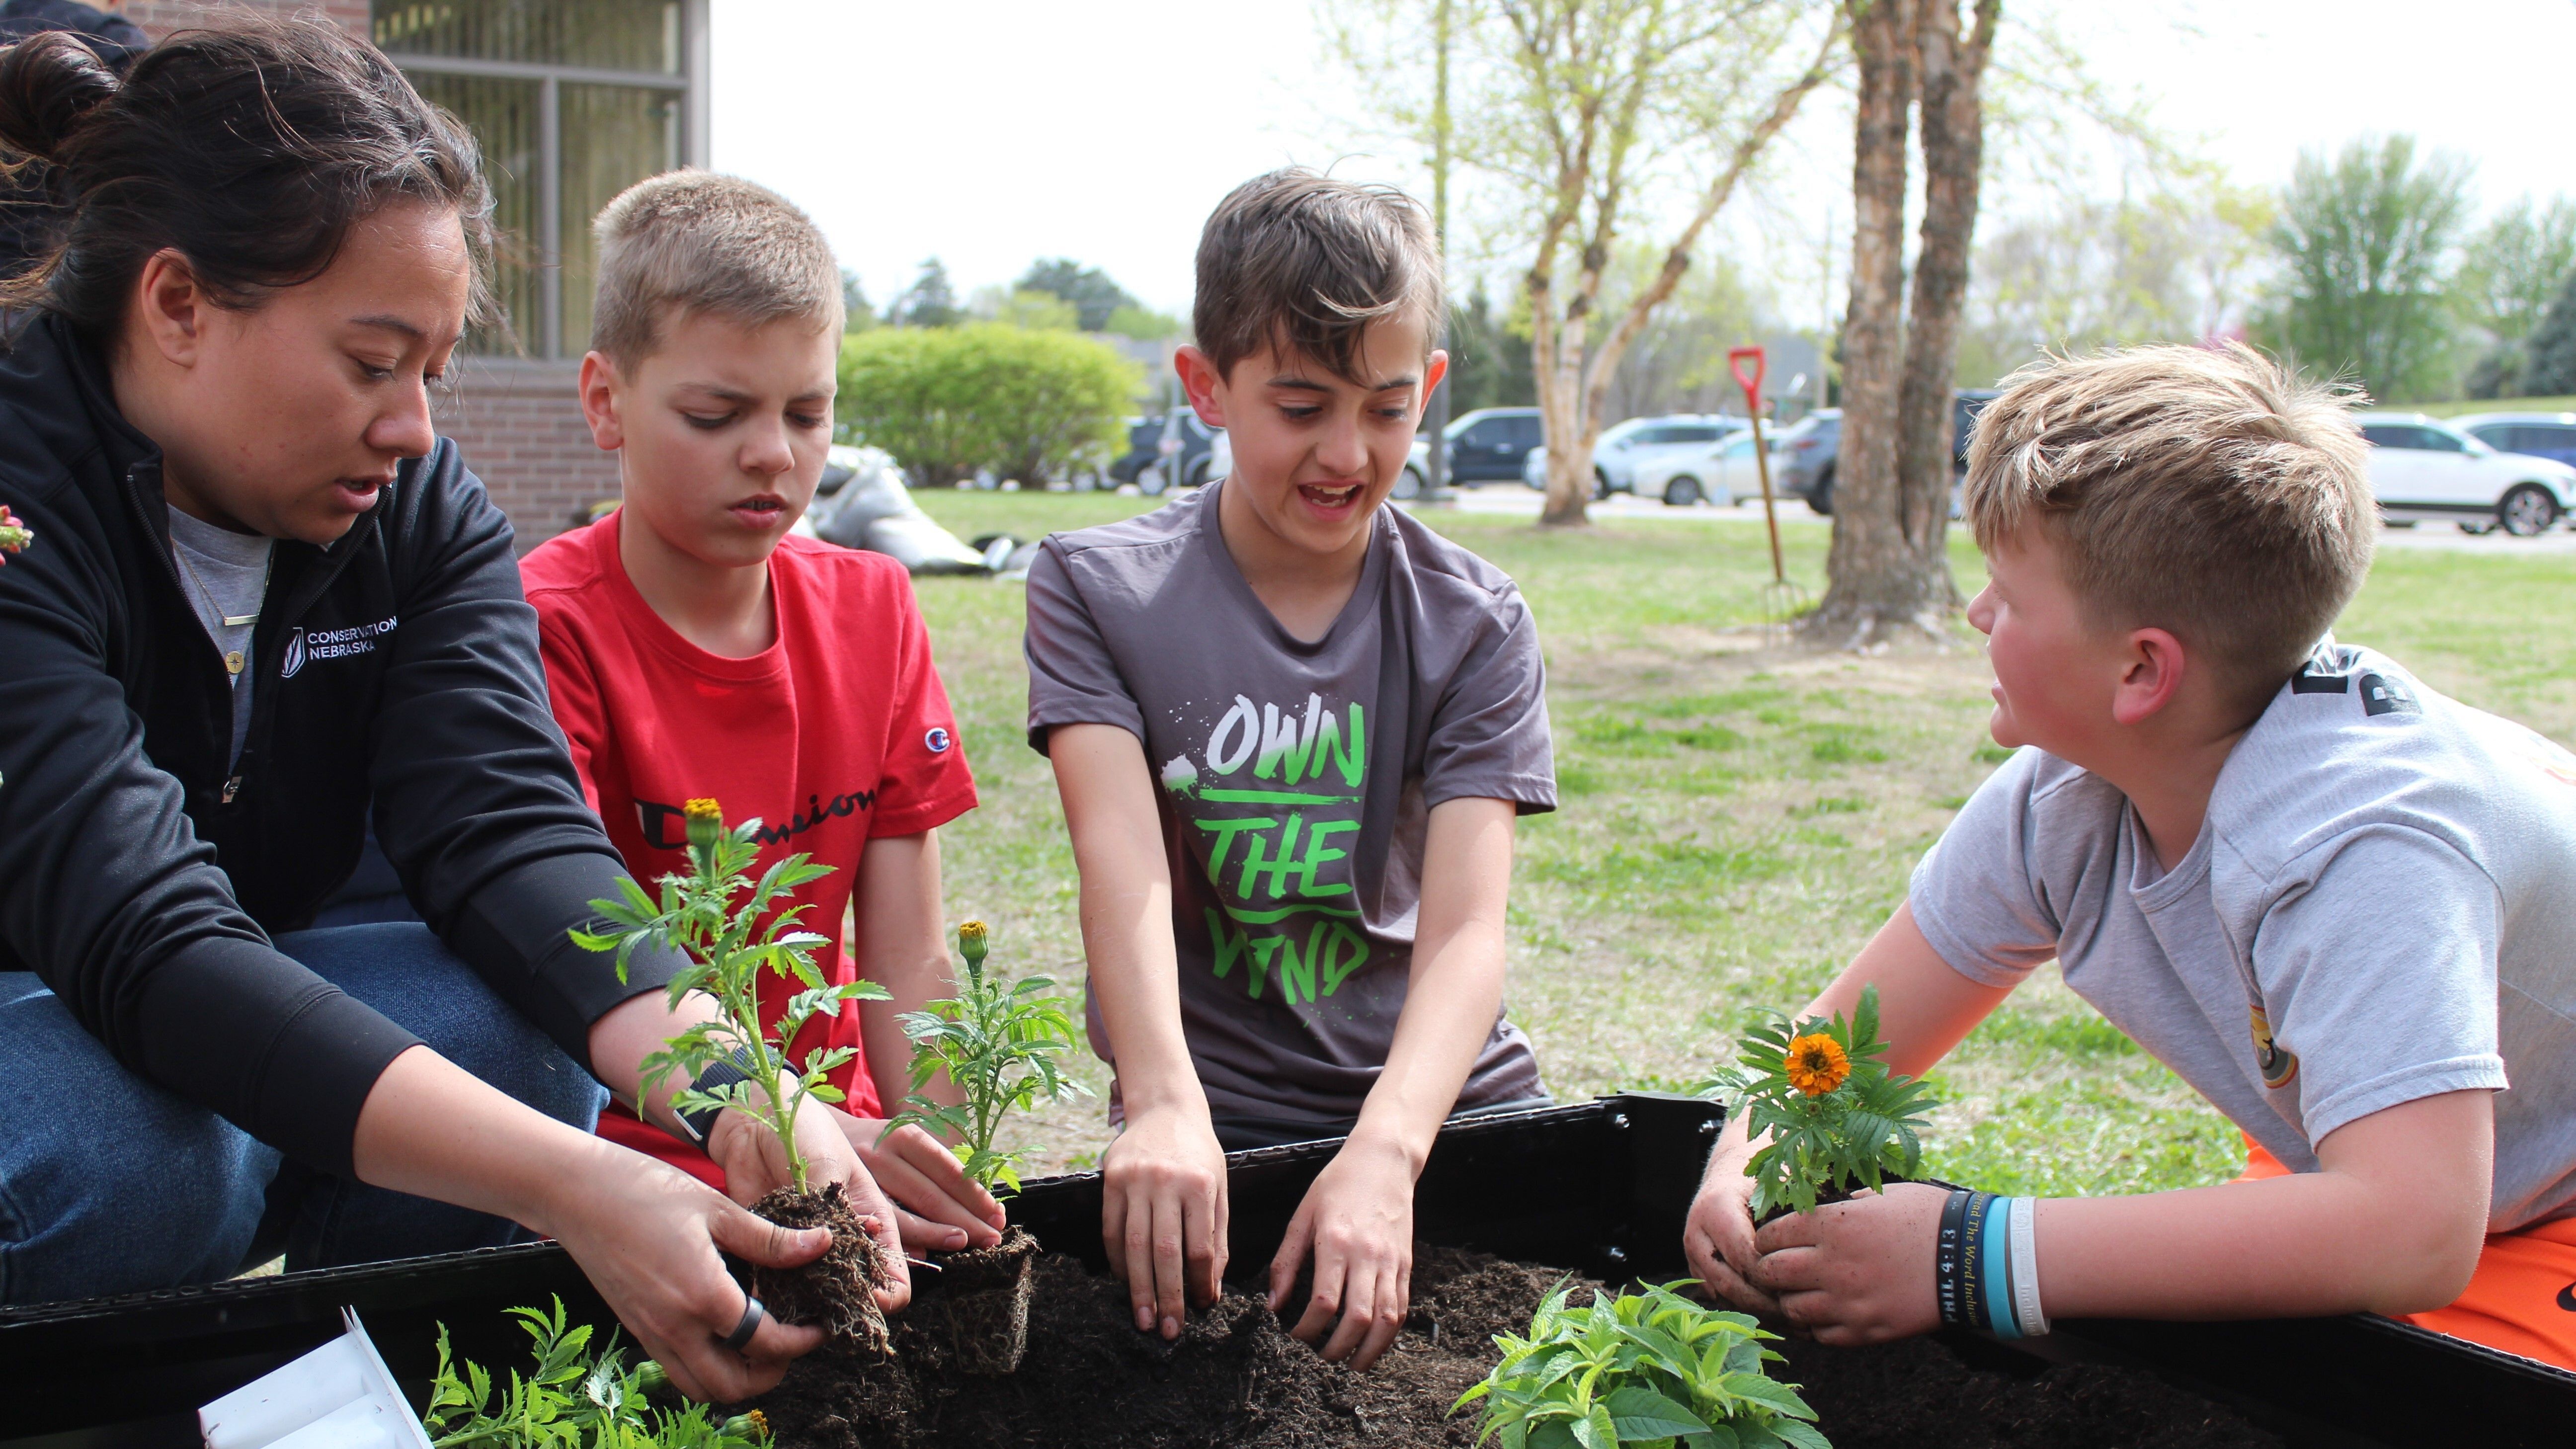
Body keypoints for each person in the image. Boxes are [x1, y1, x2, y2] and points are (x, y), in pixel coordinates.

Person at [0, 18, 906, 1401]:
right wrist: (583, 1186)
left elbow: (510, 831)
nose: (417, 426)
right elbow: (140, 929)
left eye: (435, 368)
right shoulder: (22, 503)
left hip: (207, 976)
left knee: (522, 1046)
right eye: (372, 362)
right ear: (177, 306)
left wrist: (738, 1088)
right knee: (145, 1161)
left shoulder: (409, 510)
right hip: (49, 991)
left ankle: (326, 1407)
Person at [1685, 344, 2576, 1371]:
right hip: (2403, 1158)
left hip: (2513, 1202)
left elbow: (2414, 1235)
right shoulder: (2067, 791)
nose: (1977, 615)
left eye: (2009, 596)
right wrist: (1742, 1157)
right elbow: (1845, 1048)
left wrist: (1965, 1254)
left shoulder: (2366, 851)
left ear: (2142, 669)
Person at [1025, 168, 1557, 1372]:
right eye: (1302, 406)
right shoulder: (1099, 589)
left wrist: (1386, 1154)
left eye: (1385, 409)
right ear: (1205, 386)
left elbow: (1469, 932)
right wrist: (1162, 1104)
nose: (1347, 453)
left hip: (1444, 1110)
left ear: (1426, 387)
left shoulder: (1473, 619)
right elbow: (1125, 872)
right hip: (1221, 1119)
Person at [520, 170, 1002, 1254]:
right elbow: (562, 968)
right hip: (638, 1152)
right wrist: (806, 1138)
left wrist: (930, 1152)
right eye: (716, 413)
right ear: (606, 400)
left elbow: (911, 947)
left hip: (850, 1135)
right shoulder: (549, 629)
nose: (773, 454)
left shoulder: (873, 606)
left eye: (807, 411)